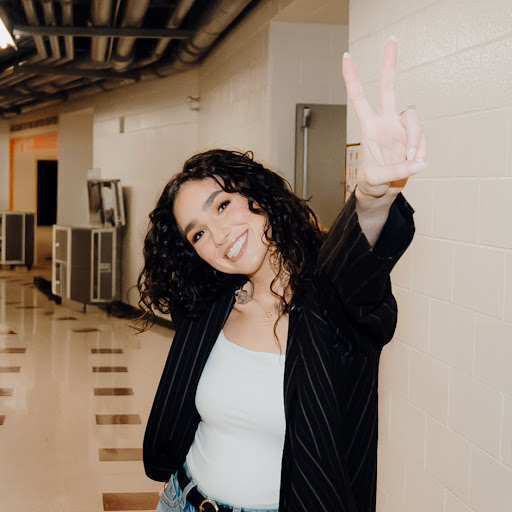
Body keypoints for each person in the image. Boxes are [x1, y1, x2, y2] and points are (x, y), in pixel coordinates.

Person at [138, 39, 427, 512]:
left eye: (223, 205)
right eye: (199, 234)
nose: (219, 235)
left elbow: (356, 272)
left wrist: (373, 198)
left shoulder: (330, 304)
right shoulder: (212, 303)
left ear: (258, 194)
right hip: (182, 500)